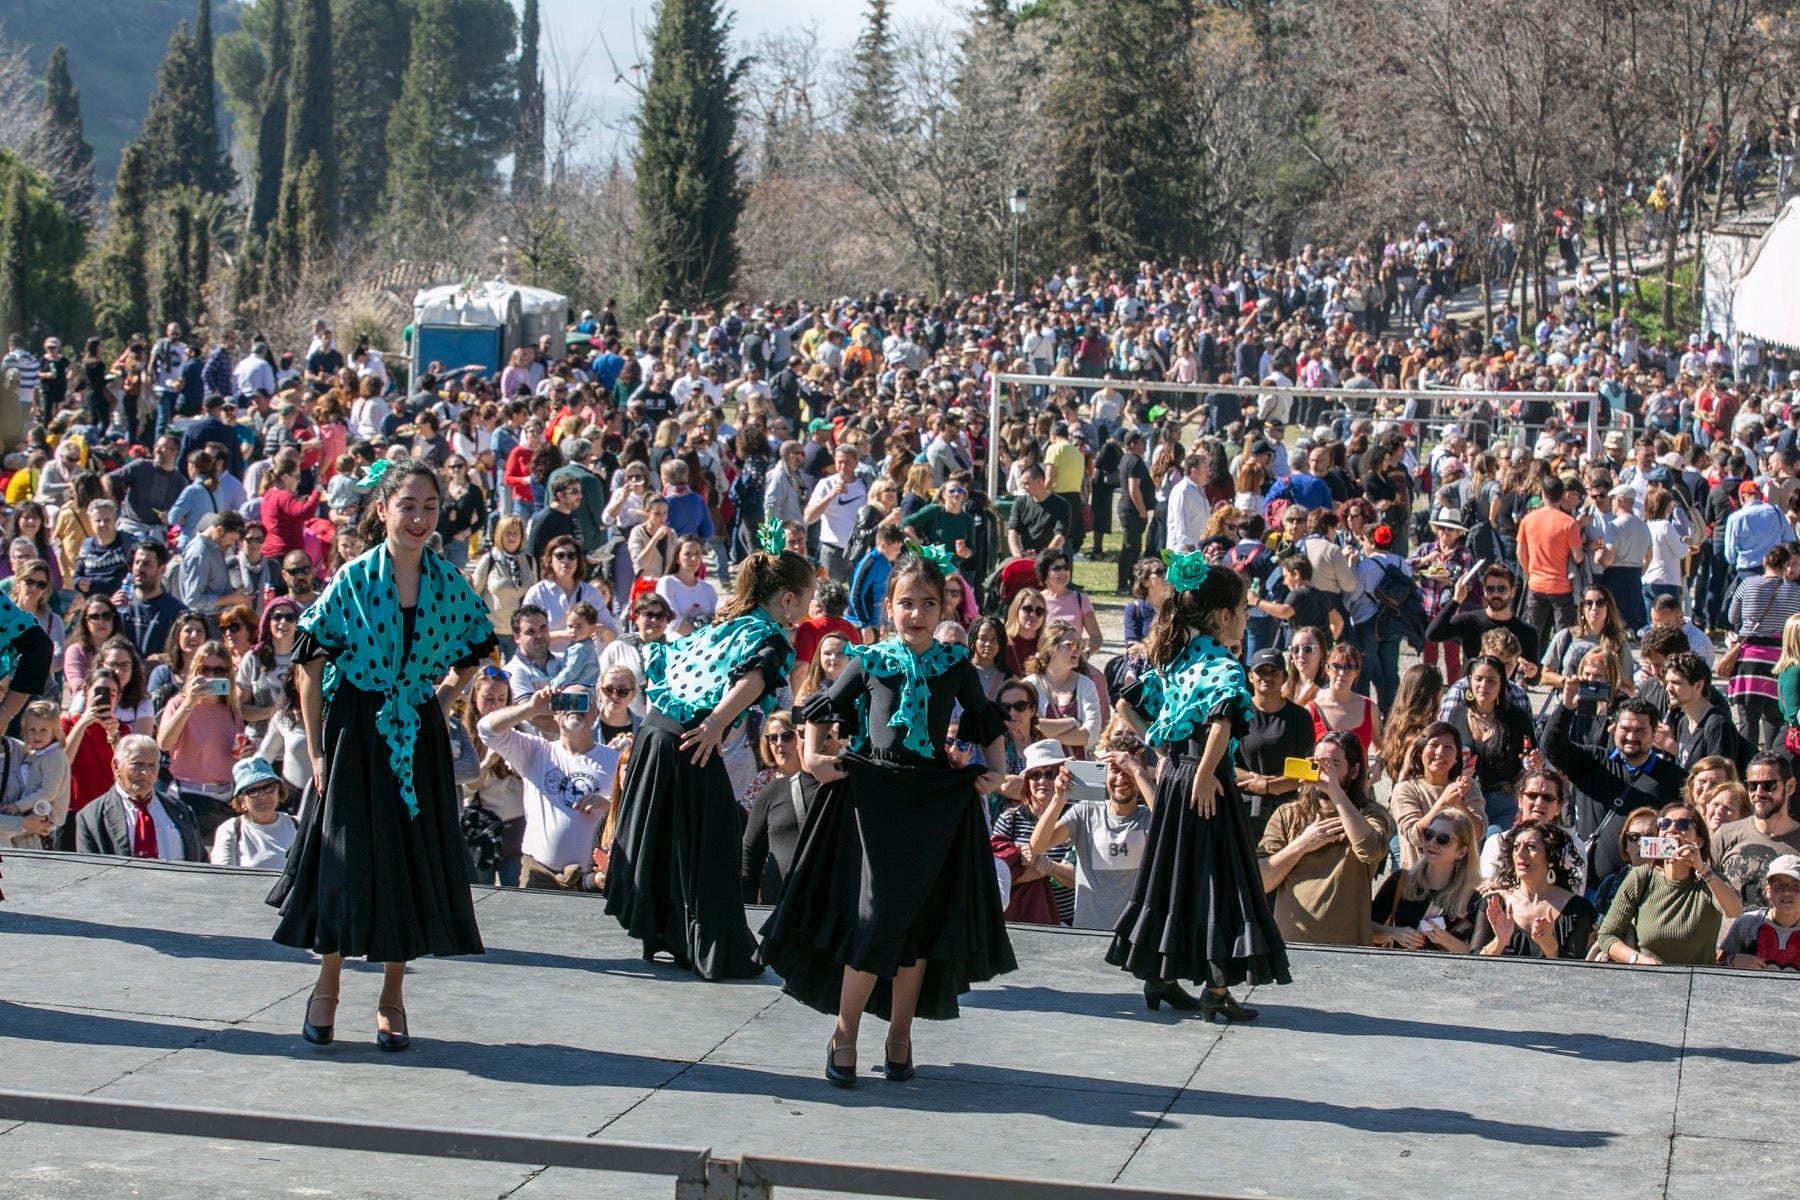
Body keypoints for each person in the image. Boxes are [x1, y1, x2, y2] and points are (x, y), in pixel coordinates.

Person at [268, 458, 497, 1052]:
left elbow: (475, 646)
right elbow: (309, 668)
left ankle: (393, 996)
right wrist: (317, 753)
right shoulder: (352, 580)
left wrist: (442, 700)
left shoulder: (449, 582)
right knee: (346, 863)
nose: (419, 518)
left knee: (406, 862)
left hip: (414, 732)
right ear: (382, 510)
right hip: (353, 734)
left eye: (429, 507)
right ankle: (328, 986)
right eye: (408, 506)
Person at [757, 551, 1011, 1086]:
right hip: (873, 799)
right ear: (887, 606)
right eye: (905, 604)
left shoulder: (954, 665)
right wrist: (812, 756)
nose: (916, 614)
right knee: (873, 920)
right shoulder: (869, 659)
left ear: (944, 607)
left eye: (927, 604)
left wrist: (995, 771)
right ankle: (844, 1033)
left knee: (916, 926)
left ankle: (900, 1034)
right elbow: (821, 706)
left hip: (931, 803)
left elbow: (987, 721)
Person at [606, 546, 815, 980]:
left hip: (658, 735)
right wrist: (718, 725)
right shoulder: (770, 636)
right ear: (789, 599)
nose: (810, 607)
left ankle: (672, 936)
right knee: (715, 841)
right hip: (691, 737)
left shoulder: (728, 623)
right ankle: (715, 952)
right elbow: (755, 677)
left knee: (681, 838)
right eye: (808, 597)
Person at [1106, 553, 1289, 1021]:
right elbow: (1222, 725)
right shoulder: (1224, 667)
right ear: (1224, 615)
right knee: (1219, 881)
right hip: (1206, 783)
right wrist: (1206, 774)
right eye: (1245, 610)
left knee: (1177, 877)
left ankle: (1163, 977)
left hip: (1177, 781)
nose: (1247, 618)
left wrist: (1166, 754)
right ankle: (1215, 986)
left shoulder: (1175, 660)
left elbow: (1126, 706)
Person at [477, 683, 620, 891]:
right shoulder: (535, 751)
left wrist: (609, 805)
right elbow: (486, 730)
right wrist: (530, 709)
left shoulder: (614, 760)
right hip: (539, 873)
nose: (574, 709)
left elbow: (636, 809)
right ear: (555, 713)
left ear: (596, 712)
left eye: (582, 702)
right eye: (566, 702)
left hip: (592, 878)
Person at [1543, 681, 1686, 889]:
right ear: (1613, 728)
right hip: (1590, 886)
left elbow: (1681, 835)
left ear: (1655, 733)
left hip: (1648, 888)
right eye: (1625, 729)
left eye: (1640, 731)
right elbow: (1552, 747)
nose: (1631, 737)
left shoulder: (1674, 777)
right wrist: (1566, 709)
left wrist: (1647, 849)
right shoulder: (1593, 761)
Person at [1257, 732, 1394, 946]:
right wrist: (1302, 844)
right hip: (1293, 946)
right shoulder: (1287, 814)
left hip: (1350, 950)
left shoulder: (1371, 814)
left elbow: (1371, 851)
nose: (1322, 772)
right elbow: (1261, 881)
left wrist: (1336, 794)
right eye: (1318, 763)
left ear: (1355, 771)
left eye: (1332, 764)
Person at [1026, 726, 1156, 932]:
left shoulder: (1150, 816)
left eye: (1127, 771)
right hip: (1088, 935)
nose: (1121, 779)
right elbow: (1038, 845)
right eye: (1115, 771)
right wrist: (1059, 797)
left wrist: (1139, 772)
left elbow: (1173, 830)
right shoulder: (1086, 812)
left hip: (1136, 937)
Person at [1596, 801, 1743, 965]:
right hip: (1649, 981)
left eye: (1683, 824)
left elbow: (1734, 911)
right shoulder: (1641, 877)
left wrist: (1703, 869)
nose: (1672, 830)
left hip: (1698, 984)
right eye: (1664, 824)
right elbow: (1607, 935)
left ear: (1699, 842)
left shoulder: (1709, 879)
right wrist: (1636, 959)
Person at [740, 714, 835, 906]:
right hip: (777, 913)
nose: (818, 743)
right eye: (805, 735)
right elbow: (750, 854)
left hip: (835, 914)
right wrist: (748, 911)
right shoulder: (772, 790)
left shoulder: (852, 790)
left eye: (827, 736)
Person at [1471, 819, 1598, 959]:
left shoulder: (1577, 908)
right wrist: (1499, 941)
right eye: (1516, 846)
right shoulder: (1494, 903)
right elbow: (1473, 966)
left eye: (1530, 847)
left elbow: (1576, 972)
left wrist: (1549, 944)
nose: (1520, 853)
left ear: (1550, 856)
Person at [1438, 654, 1535, 829]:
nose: (1484, 686)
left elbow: (1531, 762)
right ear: (1469, 681)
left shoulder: (1517, 718)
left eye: (1491, 681)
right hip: (1465, 798)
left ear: (1501, 685)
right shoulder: (1457, 714)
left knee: (1494, 843)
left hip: (1504, 801)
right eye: (1479, 679)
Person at [73, 735, 203, 861]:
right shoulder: (92, 818)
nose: (145, 772)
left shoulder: (181, 811)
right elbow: (90, 872)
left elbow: (200, 862)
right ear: (116, 766)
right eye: (137, 764)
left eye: (152, 765)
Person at [1371, 806, 1482, 953]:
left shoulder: (1472, 899)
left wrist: (1446, 940)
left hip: (1446, 974)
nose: (1432, 843)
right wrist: (1394, 933)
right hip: (1398, 972)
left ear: (1461, 852)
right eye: (1429, 834)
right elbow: (1367, 927)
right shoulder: (1401, 881)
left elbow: (1479, 954)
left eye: (1443, 839)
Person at [1234, 647, 1316, 842]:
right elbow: (1222, 762)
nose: (1267, 677)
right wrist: (1257, 781)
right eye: (1261, 671)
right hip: (1241, 808)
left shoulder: (1300, 717)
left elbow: (1307, 771)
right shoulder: (1237, 714)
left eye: (1273, 672)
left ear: (1284, 677)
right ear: (1250, 676)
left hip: (1286, 811)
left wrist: (1270, 785)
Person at [1389, 722, 1486, 871]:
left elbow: (1478, 833)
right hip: (1416, 879)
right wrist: (1443, 802)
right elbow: (1415, 837)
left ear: (1456, 757)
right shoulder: (1405, 789)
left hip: (1459, 880)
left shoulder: (1468, 786)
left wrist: (1459, 803)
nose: (1440, 752)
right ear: (1421, 751)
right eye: (1434, 745)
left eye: (1448, 747)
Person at [1424, 562, 1539, 681]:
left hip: (1505, 696)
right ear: (1484, 591)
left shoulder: (1526, 631)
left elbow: (1535, 678)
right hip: (1469, 693)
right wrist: (1456, 600)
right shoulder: (1470, 621)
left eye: (1502, 589)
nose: (1495, 594)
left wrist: (1532, 673)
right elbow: (1432, 634)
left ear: (1512, 592)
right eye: (1490, 589)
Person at [1713, 752, 1800, 907]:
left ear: (1790, 786)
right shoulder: (1725, 835)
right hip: (1732, 930)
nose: (1758, 793)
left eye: (1768, 785)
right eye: (1752, 786)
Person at [210, 756, 299, 870]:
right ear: (241, 800)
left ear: (279, 789)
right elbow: (223, 877)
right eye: (253, 791)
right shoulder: (230, 830)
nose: (262, 796)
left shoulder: (298, 825)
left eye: (268, 787)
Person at [1717, 854, 1800, 970]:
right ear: (1768, 891)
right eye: (1779, 885)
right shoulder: (1747, 924)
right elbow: (1715, 968)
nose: (1786, 892)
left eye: (1795, 886)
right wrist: (1732, 961)